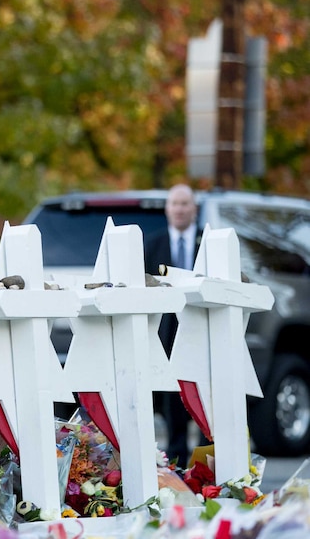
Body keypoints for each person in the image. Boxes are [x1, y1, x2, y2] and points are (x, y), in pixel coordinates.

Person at [144, 183, 200, 467]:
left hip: (200, 330)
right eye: (174, 204)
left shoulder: (207, 243)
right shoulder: (151, 245)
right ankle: (176, 461)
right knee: (171, 396)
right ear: (167, 209)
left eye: (184, 203)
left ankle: (205, 460)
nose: (179, 209)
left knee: (202, 395)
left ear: (194, 209)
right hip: (164, 334)